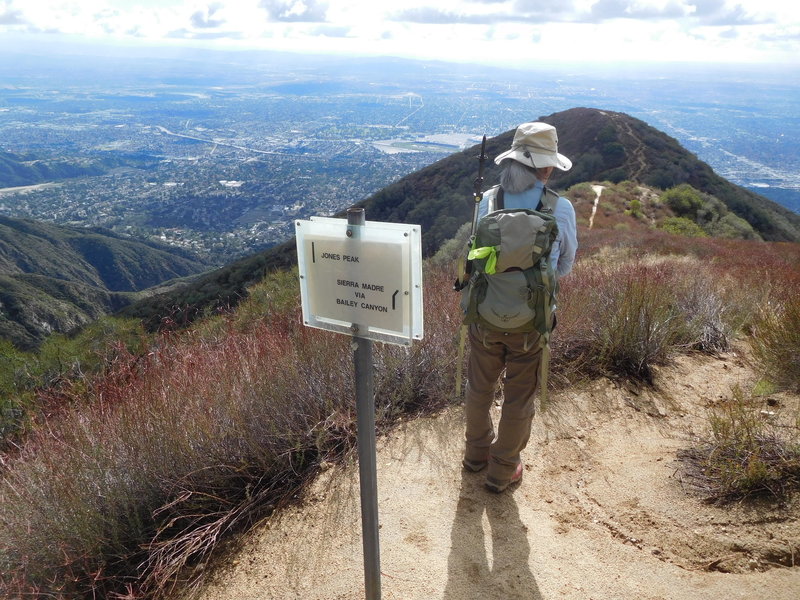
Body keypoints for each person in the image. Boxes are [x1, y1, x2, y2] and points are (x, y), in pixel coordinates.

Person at [462, 121, 578, 493]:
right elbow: (564, 266)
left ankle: (475, 455)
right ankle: (502, 470)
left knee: (479, 388)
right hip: (532, 321)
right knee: (518, 397)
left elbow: (475, 257)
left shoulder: (489, 201)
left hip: (484, 315)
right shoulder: (560, 209)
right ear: (546, 167)